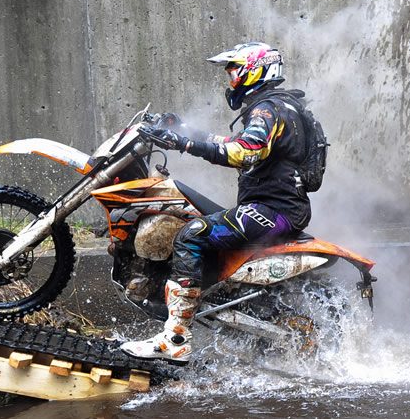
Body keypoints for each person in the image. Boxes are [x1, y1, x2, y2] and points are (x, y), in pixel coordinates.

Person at [120, 42, 313, 364]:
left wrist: (183, 144)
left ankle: (176, 339)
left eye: (234, 71)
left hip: (273, 210)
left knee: (191, 234)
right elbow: (234, 143)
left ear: (256, 70)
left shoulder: (268, 109)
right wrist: (182, 130)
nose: (230, 79)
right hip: (275, 207)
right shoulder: (281, 106)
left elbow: (243, 152)